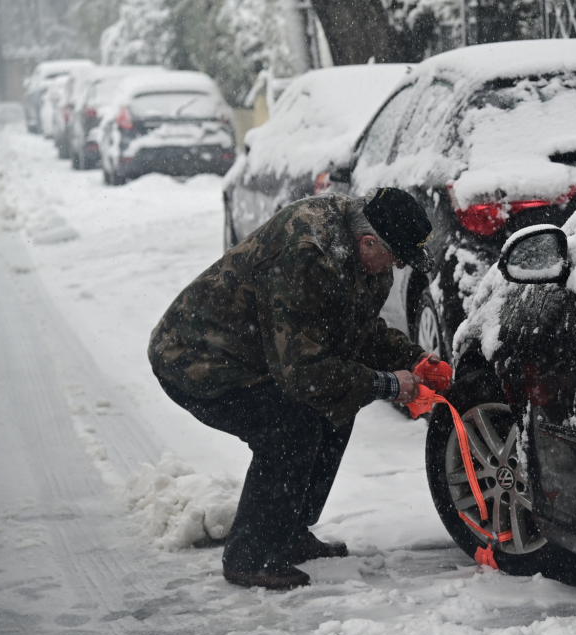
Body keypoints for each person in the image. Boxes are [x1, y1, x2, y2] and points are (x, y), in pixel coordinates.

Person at [148, 188, 438, 589]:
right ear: (369, 241)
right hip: (198, 359)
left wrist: (412, 359)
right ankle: (250, 555)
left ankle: (289, 530)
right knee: (291, 428)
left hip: (261, 354)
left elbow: (355, 331)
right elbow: (304, 373)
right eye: (397, 256)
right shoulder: (308, 255)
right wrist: (388, 384)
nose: (398, 266)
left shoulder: (365, 256)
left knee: (337, 407)